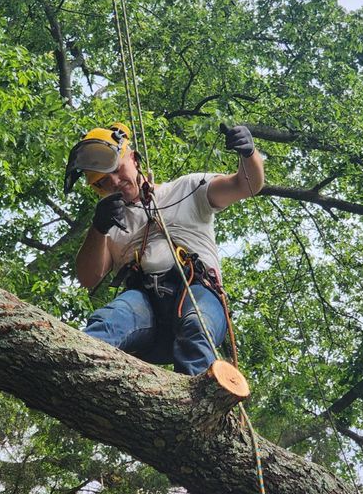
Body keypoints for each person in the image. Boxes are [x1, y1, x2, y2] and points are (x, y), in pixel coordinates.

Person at [63, 122, 265, 375]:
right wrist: (99, 228)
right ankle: (74, 380)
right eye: (103, 182)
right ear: (96, 190)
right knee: (107, 322)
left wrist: (249, 154)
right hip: (145, 307)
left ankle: (195, 407)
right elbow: (87, 277)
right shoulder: (110, 225)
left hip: (197, 291)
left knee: (196, 324)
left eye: (117, 169)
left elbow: (246, 185)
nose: (115, 181)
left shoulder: (188, 189)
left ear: (134, 159)